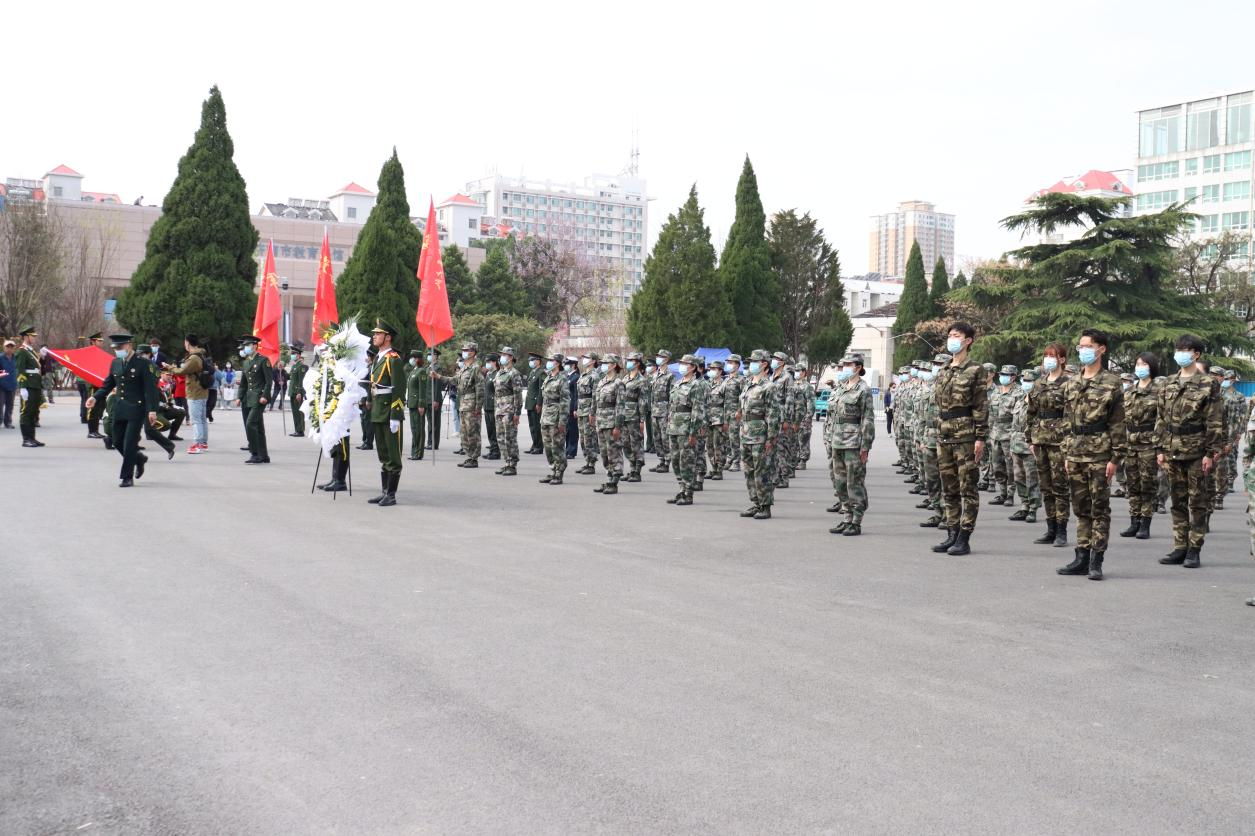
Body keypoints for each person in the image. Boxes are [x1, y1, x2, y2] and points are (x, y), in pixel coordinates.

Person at [1056, 329, 1125, 581]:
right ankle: (1081, 556)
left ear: (1101, 349)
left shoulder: (1112, 382)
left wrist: (1115, 458)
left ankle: (1097, 559)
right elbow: (1066, 421)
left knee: (1099, 508)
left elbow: (1118, 423)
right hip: (1075, 453)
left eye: (1088, 345)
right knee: (1080, 507)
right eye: (1080, 345)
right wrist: (1066, 452)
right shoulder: (1072, 382)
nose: (1083, 350)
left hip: (1099, 453)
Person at [1155, 335, 1225, 569]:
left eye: (1185, 350)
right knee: (1177, 501)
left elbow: (1214, 421)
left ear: (1196, 354)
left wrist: (1210, 452)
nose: (1180, 354)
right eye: (1178, 349)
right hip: (1172, 449)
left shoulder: (1208, 383)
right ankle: (1179, 546)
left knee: (1197, 501)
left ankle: (1194, 548)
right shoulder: (1168, 382)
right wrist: (1160, 447)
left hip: (1196, 450)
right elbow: (1161, 418)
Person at [931, 321, 989, 557]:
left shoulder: (976, 369)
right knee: (949, 488)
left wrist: (980, 437)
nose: (951, 339)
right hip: (944, 434)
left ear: (968, 341)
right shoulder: (944, 369)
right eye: (950, 335)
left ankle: (964, 536)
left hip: (965, 434)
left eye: (956, 335)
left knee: (968, 487)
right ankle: (952, 532)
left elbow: (980, 405)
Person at [86, 334, 159, 487]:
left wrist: (152, 410)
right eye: (115, 348)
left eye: (120, 348)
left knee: (129, 443)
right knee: (116, 440)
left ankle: (127, 477)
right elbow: (107, 384)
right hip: (120, 407)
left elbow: (150, 389)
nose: (117, 351)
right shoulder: (115, 363)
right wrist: (96, 397)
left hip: (136, 408)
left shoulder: (143, 364)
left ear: (129, 345)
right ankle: (138, 458)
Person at [1026, 342, 1071, 547]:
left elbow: (1072, 415)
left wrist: (1069, 442)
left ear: (1062, 359)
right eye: (1046, 356)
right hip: (1040, 439)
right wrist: (1030, 438)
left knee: (1060, 486)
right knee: (1046, 486)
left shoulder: (1068, 383)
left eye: (1052, 356)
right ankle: (1050, 527)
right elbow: (1031, 413)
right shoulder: (1038, 384)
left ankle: (1062, 530)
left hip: (1059, 441)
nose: (1048, 360)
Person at [825, 354, 875, 536]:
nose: (844, 367)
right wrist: (828, 439)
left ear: (857, 367)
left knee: (854, 482)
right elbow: (832, 417)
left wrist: (865, 447)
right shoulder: (840, 388)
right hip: (836, 441)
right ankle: (846, 517)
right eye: (843, 364)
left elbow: (867, 419)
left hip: (853, 443)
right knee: (840, 483)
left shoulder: (863, 389)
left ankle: (856, 521)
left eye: (848, 364)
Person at [1118, 353, 1161, 540]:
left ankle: (1145, 523)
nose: (1140, 367)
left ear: (1151, 367)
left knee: (1147, 485)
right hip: (1130, 443)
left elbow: (1163, 420)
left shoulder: (1159, 390)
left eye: (1144, 364)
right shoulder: (1128, 391)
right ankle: (1134, 521)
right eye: (1138, 363)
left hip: (1149, 443)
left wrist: (1160, 447)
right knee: (1132, 484)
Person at [365, 319, 405, 506]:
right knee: (383, 452)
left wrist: (395, 416)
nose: (374, 336)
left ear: (387, 338)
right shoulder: (379, 359)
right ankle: (384, 491)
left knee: (393, 455)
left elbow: (398, 389)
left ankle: (392, 494)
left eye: (378, 334)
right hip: (378, 410)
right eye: (375, 333)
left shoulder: (393, 360)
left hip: (389, 412)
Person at [738, 349, 779, 520]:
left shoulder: (769, 386)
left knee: (762, 472)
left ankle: (765, 505)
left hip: (760, 435)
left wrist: (771, 437)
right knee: (749, 470)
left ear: (764, 364)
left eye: (755, 361)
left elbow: (773, 413)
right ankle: (755, 502)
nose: (751, 364)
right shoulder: (748, 384)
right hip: (746, 432)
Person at [666, 354, 704, 506]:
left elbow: (697, 410)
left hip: (686, 428)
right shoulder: (677, 383)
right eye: (681, 363)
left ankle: (688, 492)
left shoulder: (697, 385)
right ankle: (681, 489)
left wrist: (693, 432)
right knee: (675, 460)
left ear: (693, 367)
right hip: (674, 427)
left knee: (686, 461)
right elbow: (672, 406)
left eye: (685, 363)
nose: (682, 366)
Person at [165, 334, 210, 454]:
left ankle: (198, 444)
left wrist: (169, 367)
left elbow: (182, 372)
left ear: (188, 343)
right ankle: (203, 443)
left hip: (195, 392)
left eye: (185, 342)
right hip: (202, 391)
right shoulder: (201, 354)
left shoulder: (194, 358)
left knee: (196, 420)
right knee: (201, 419)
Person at [1008, 369, 1041, 523]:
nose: (1026, 383)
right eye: (1024, 380)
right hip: (1016, 443)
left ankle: (1033, 508)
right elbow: (1013, 424)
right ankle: (1024, 505)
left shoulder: (1039, 400)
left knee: (1032, 477)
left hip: (1030, 445)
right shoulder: (1020, 399)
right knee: (1019, 476)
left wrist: (1035, 442)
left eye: (1029, 381)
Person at [235, 335, 272, 464]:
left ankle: (255, 453)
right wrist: (239, 397)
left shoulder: (263, 360)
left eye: (248, 345)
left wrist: (265, 396)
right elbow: (244, 383)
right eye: (245, 346)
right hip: (247, 398)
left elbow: (269, 381)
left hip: (258, 397)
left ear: (255, 346)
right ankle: (264, 455)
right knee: (258, 427)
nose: (245, 348)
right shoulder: (246, 362)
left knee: (250, 423)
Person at [593, 353, 626, 494]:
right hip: (601, 422)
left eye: (606, 363)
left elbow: (620, 406)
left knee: (614, 452)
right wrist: (592, 414)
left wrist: (618, 426)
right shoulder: (601, 381)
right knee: (604, 453)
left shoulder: (618, 383)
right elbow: (596, 402)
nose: (603, 365)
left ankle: (614, 482)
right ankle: (609, 477)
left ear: (614, 365)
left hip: (611, 423)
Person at [449, 341, 484, 468]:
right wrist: (438, 376)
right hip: (463, 404)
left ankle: (474, 458)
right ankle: (468, 456)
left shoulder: (475, 368)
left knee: (472, 432)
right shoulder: (464, 368)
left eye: (466, 350)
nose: (464, 352)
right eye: (463, 350)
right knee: (464, 432)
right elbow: (454, 380)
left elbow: (480, 389)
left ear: (473, 352)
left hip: (472, 405)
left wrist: (478, 407)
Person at [987, 365, 1018, 506]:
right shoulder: (996, 392)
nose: (1003, 376)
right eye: (1002, 374)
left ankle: (1011, 495)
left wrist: (1015, 436)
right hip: (995, 434)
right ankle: (1002, 492)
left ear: (1013, 377)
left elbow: (1019, 418)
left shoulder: (1018, 393)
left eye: (1007, 374)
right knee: (997, 466)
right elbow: (991, 415)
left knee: (1010, 467)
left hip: (1009, 434)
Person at [492, 346, 525, 476]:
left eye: (505, 355)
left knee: (509, 438)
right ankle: (506, 462)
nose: (502, 357)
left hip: (509, 409)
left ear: (511, 357)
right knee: (500, 438)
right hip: (499, 408)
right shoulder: (500, 372)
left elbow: (517, 394)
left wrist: (517, 413)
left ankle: (512, 464)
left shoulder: (514, 373)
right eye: (501, 355)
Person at [538, 352, 570, 484]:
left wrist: (562, 421)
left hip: (556, 417)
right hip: (545, 416)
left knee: (557, 446)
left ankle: (559, 472)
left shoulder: (562, 379)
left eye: (551, 360)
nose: (549, 362)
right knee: (548, 446)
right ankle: (553, 469)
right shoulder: (548, 377)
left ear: (557, 363)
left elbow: (565, 401)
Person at [14, 327, 45, 447]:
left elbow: (36, 367)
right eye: (32, 336)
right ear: (26, 337)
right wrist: (22, 387)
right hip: (28, 386)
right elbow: (20, 370)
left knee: (33, 412)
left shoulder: (31, 351)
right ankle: (26, 439)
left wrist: (40, 356)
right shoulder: (21, 351)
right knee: (26, 412)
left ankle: (32, 438)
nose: (34, 338)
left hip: (35, 385)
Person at [621, 351, 648, 482]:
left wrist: (642, 419)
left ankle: (637, 471)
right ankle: (632, 467)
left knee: (636, 443)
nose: (628, 363)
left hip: (634, 416)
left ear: (637, 363)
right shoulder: (625, 378)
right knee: (625, 443)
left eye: (631, 360)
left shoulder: (641, 380)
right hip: (624, 415)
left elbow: (643, 401)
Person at [574, 352, 601, 475]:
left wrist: (592, 412)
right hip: (581, 410)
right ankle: (587, 461)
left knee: (590, 438)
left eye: (587, 358)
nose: (584, 360)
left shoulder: (594, 376)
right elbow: (578, 394)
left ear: (593, 361)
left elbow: (595, 396)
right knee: (583, 439)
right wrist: (577, 409)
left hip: (589, 411)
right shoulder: (583, 375)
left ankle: (591, 463)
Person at [649, 350, 673, 472]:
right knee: (656, 437)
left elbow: (672, 396)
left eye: (661, 356)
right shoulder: (655, 375)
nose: (658, 358)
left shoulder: (670, 375)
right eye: (657, 356)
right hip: (655, 410)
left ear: (667, 359)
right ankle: (661, 460)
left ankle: (667, 461)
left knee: (664, 437)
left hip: (664, 410)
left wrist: (670, 413)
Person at [705, 359, 729, 482]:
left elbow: (727, 404)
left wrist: (726, 421)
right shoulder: (708, 384)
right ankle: (713, 467)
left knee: (718, 445)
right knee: (709, 445)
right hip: (708, 418)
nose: (711, 371)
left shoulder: (724, 385)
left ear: (720, 371)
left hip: (719, 419)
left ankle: (719, 470)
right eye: (710, 369)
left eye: (714, 369)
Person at [405, 350, 428, 460]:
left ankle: (418, 453)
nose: (412, 360)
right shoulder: (414, 371)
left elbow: (422, 389)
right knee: (414, 429)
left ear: (418, 359)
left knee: (419, 428)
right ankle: (414, 452)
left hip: (418, 405)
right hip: (412, 404)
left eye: (414, 357)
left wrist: (421, 404)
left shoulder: (422, 371)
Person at [722, 354, 744, 472]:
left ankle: (736, 462)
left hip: (735, 413)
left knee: (734, 438)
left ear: (737, 365)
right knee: (727, 438)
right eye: (728, 362)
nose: (729, 364)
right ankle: (730, 458)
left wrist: (739, 411)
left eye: (731, 362)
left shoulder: (741, 379)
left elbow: (743, 397)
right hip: (726, 412)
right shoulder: (726, 379)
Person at [524, 351, 544, 454]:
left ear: (538, 361)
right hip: (530, 403)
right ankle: (534, 444)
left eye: (532, 360)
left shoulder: (541, 372)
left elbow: (541, 389)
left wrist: (539, 403)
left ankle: (539, 446)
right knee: (532, 425)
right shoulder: (532, 372)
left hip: (536, 403)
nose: (530, 362)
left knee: (537, 426)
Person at [426, 348, 445, 450]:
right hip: (428, 399)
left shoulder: (437, 368)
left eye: (431, 354)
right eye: (428, 354)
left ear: (436, 356)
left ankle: (434, 443)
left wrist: (436, 400)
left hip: (434, 399)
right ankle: (429, 442)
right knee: (430, 422)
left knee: (435, 423)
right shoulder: (428, 368)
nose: (429, 356)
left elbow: (438, 385)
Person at [482, 353, 500, 460]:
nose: (487, 364)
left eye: (489, 362)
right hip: (487, 405)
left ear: (495, 362)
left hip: (494, 406)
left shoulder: (497, 374)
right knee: (490, 430)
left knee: (494, 430)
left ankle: (496, 451)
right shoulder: (489, 374)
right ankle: (492, 449)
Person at [288, 344, 308, 436]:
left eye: (294, 354)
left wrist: (299, 392)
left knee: (299, 412)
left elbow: (302, 381)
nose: (292, 355)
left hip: (297, 393)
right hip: (293, 392)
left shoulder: (301, 366)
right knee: (295, 412)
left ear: (298, 355)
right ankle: (297, 429)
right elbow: (291, 378)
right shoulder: (295, 366)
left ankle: (300, 430)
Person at [564, 358, 580, 459]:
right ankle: (567, 449)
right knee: (567, 430)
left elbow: (576, 394)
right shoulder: (567, 376)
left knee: (573, 429)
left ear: (573, 365)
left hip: (572, 407)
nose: (566, 366)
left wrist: (575, 408)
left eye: (568, 364)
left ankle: (572, 450)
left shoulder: (576, 377)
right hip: (566, 407)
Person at [0, 339, 17, 429]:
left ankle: (8, 422)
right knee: (0, 404)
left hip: (12, 385)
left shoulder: (16, 358)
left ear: (14, 348)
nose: (9, 349)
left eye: (11, 347)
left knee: (10, 405)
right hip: (1, 385)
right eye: (8, 347)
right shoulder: (0, 358)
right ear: (4, 347)